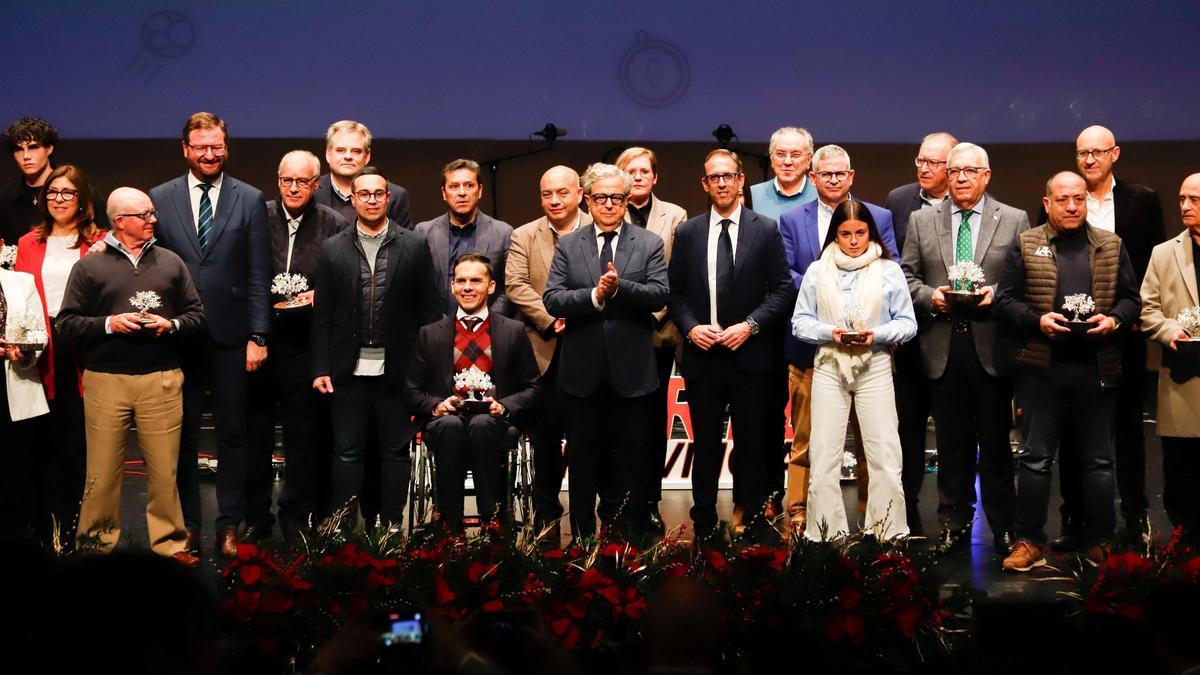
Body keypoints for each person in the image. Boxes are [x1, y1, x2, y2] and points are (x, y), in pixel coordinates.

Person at [995, 172, 1141, 571]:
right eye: (1063, 199)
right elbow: (1005, 301)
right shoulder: (1027, 243)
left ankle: (1100, 541)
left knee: (1099, 461)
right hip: (1042, 369)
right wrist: (1037, 321)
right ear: (1047, 204)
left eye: (1078, 198)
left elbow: (1132, 300)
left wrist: (1114, 321)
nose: (1073, 206)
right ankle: (1029, 541)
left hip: (1096, 366)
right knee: (1035, 459)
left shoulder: (1111, 245)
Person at [57, 187, 206, 566]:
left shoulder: (170, 262)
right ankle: (95, 548)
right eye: (145, 215)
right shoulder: (89, 267)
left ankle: (170, 545)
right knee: (102, 473)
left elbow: (196, 315)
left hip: (161, 378)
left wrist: (170, 325)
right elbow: (67, 323)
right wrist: (110, 323)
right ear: (120, 221)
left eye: (152, 213)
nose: (153, 219)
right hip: (106, 379)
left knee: (164, 470)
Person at [1037, 125, 1166, 549]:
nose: (1089, 160)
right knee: (1073, 434)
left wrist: (1127, 315)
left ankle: (1135, 516)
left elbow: (1153, 261)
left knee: (1128, 428)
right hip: (1068, 340)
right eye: (1082, 153)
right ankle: (1074, 518)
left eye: (1097, 152)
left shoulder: (1141, 200)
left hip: (1120, 334)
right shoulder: (1062, 197)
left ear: (1115, 154)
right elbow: (1042, 261)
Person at [149, 112, 271, 557]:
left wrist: (259, 335)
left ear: (227, 147)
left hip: (233, 338)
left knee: (233, 435)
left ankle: (229, 524)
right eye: (200, 147)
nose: (209, 154)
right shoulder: (159, 197)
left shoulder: (250, 198)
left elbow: (259, 273)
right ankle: (187, 526)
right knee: (181, 438)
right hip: (177, 338)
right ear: (185, 149)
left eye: (216, 146)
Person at [901, 142, 1028, 554]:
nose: (960, 178)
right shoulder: (922, 220)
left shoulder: (1013, 218)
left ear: (986, 176)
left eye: (970, 171)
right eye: (954, 171)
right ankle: (953, 524)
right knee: (951, 445)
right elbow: (906, 277)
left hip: (992, 346)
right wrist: (931, 297)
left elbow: (1024, 276)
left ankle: (1003, 525)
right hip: (942, 346)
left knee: (995, 444)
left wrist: (995, 293)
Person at [668, 149, 793, 537]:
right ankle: (703, 521)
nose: (721, 183)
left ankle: (752, 519)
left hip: (750, 353)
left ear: (741, 181)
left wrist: (750, 326)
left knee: (752, 443)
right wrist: (691, 328)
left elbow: (783, 289)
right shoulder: (687, 233)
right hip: (703, 354)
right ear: (705, 184)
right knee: (704, 444)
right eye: (713, 177)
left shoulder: (765, 229)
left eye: (728, 176)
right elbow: (674, 292)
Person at [543, 163, 668, 541]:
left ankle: (626, 541)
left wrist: (620, 288)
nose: (609, 204)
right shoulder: (569, 244)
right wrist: (595, 296)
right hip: (582, 375)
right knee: (582, 463)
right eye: (601, 198)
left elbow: (660, 295)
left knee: (631, 462)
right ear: (588, 200)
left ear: (627, 201)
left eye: (616, 198)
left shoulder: (648, 243)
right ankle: (582, 540)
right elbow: (552, 298)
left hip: (632, 375)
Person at [777, 145, 898, 534]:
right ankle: (802, 514)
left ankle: (873, 520)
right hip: (814, 351)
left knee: (872, 444)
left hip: (869, 353)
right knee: (810, 442)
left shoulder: (878, 216)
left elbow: (891, 267)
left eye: (839, 173)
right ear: (812, 177)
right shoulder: (791, 219)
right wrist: (826, 291)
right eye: (825, 174)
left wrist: (859, 306)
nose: (833, 179)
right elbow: (786, 273)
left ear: (851, 176)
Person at [311, 167, 441, 530]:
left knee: (395, 451)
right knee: (346, 451)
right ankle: (342, 526)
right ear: (353, 199)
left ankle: (391, 525)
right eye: (363, 194)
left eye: (378, 193)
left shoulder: (414, 245)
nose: (371, 200)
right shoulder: (332, 247)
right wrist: (320, 367)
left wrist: (427, 371)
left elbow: (430, 313)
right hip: (345, 369)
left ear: (388, 198)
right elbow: (322, 316)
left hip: (399, 370)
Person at [792, 200, 915, 541]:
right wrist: (829, 332)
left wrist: (878, 334)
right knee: (823, 454)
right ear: (836, 234)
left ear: (870, 232)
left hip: (874, 364)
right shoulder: (817, 270)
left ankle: (888, 532)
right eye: (846, 234)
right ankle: (825, 535)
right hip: (829, 363)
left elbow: (908, 323)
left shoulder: (888, 270)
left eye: (860, 232)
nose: (854, 240)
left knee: (884, 453)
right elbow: (800, 322)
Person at [245, 150, 348, 543]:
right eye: (287, 180)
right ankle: (256, 516)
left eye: (302, 181)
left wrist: (321, 295)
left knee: (303, 436)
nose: (293, 188)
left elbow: (346, 278)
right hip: (260, 340)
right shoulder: (258, 216)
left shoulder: (334, 223)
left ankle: (295, 514)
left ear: (316, 184)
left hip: (305, 343)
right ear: (278, 180)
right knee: (255, 433)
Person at [405, 254, 540, 532]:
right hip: (445, 421)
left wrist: (503, 406)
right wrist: (437, 405)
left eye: (476, 280)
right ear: (452, 286)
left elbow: (533, 387)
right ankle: (448, 529)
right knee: (450, 426)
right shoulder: (429, 334)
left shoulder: (513, 331)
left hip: (495, 420)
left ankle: (494, 524)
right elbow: (411, 390)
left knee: (481, 424)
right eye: (461, 281)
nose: (468, 287)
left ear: (491, 286)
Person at [14, 164, 105, 544]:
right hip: (38, 346)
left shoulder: (100, 241)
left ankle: (79, 526)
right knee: (42, 441)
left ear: (82, 200)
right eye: (52, 192)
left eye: (68, 192)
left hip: (82, 346)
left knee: (78, 441)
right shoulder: (27, 243)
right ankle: (44, 526)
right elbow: (20, 297)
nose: (59, 199)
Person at [505, 166, 592, 540]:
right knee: (545, 441)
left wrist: (579, 313)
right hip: (543, 352)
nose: (554, 200)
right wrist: (551, 317)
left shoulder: (599, 229)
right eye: (546, 194)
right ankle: (547, 513)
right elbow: (516, 284)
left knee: (587, 439)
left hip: (590, 347)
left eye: (562, 192)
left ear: (580, 194)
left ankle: (588, 520)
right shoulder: (524, 235)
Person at [887, 131, 958, 535]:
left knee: (952, 430)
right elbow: (894, 266)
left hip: (956, 336)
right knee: (907, 427)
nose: (924, 169)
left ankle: (953, 512)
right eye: (920, 160)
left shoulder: (969, 203)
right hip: (911, 333)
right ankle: (907, 508)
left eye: (933, 163)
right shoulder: (899, 200)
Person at [615, 146, 687, 534]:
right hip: (616, 331)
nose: (638, 176)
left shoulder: (674, 215)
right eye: (631, 170)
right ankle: (621, 501)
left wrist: (649, 313)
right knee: (620, 423)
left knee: (652, 422)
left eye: (645, 171)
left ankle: (650, 501)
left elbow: (677, 274)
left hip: (658, 333)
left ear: (655, 177)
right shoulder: (606, 211)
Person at [1139, 173, 1200, 541]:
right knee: (1181, 466)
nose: (1185, 206)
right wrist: (1168, 331)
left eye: (1194, 199)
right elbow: (1148, 310)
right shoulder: (1164, 253)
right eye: (1181, 199)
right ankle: (1186, 544)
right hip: (1182, 375)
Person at [416, 159, 513, 315]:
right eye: (454, 186)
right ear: (444, 193)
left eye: (469, 185)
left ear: (480, 190)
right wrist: (440, 325)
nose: (462, 192)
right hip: (436, 325)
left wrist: (488, 321)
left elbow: (510, 288)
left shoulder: (503, 233)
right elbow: (417, 287)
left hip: (490, 325)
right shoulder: (423, 232)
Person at [0, 266, 50, 541]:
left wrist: (25, 350)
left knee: (16, 466)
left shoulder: (22, 281)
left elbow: (38, 332)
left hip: (15, 381)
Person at [0, 118, 107, 245]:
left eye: (33, 147)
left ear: (49, 148)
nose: (26, 156)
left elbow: (105, 239)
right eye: (19, 149)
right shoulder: (5, 199)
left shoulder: (83, 193)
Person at [314, 120, 412, 229]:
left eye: (356, 151)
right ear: (328, 154)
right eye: (340, 150)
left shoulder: (395, 196)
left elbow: (404, 239)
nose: (348, 156)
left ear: (367, 156)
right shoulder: (311, 192)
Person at [747, 126, 817, 223]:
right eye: (780, 154)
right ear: (771, 158)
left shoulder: (821, 194)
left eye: (795, 155)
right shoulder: (751, 195)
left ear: (809, 160)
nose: (787, 162)